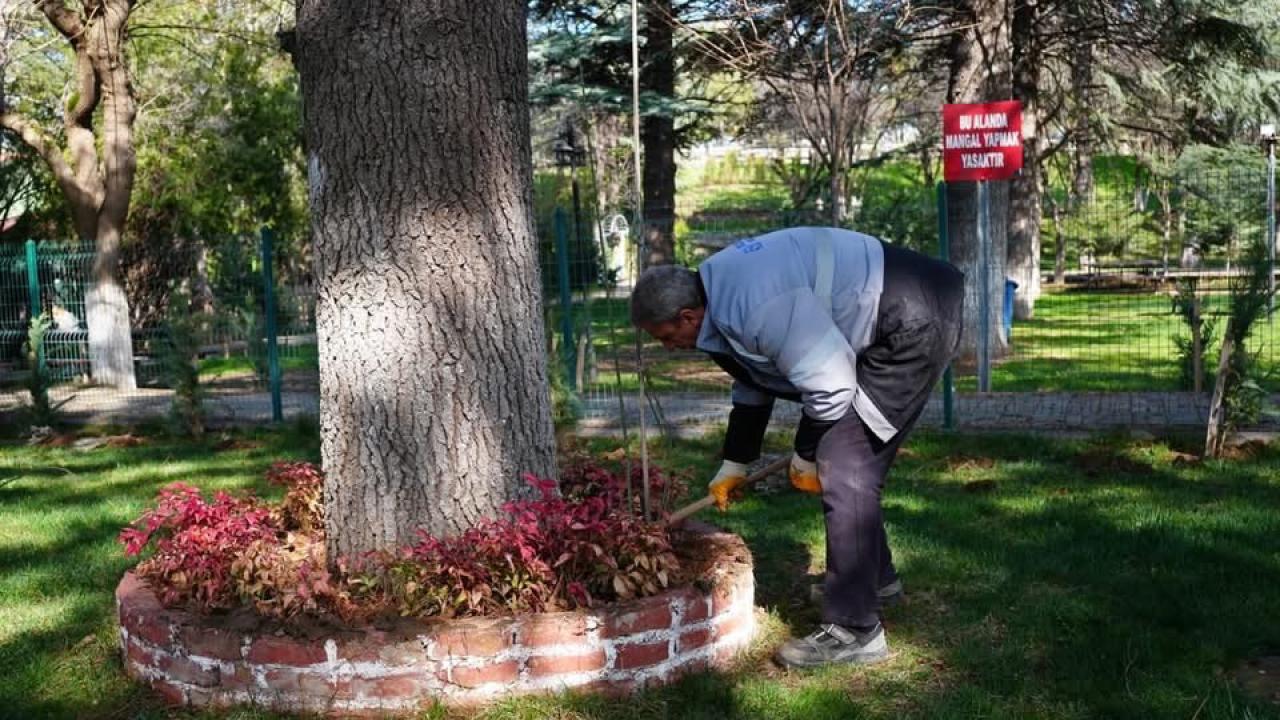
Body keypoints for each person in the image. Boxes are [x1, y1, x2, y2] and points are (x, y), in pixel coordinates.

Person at [630, 227, 963, 669]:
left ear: (688, 316)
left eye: (665, 336)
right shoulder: (720, 294)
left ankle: (855, 630)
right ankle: (875, 582)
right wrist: (736, 460)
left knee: (845, 466)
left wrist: (807, 453)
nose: (668, 348)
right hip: (901, 302)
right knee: (849, 466)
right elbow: (753, 379)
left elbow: (831, 388)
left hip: (911, 319)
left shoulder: (752, 305)